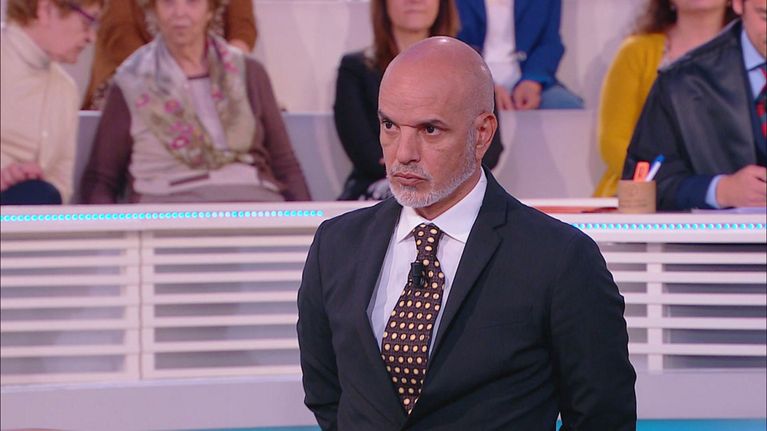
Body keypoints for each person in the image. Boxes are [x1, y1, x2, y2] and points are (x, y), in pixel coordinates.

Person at [298, 37, 636, 430]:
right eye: (390, 125)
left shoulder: (560, 259)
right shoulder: (335, 246)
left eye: (430, 129)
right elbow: (326, 394)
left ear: (482, 133)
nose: (403, 153)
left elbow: (602, 416)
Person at [80, 0, 310, 204]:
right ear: (154, 10)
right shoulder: (131, 81)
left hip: (255, 205)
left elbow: (286, 166)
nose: (179, 12)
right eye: (168, 2)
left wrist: (311, 229)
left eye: (192, 2)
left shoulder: (250, 73)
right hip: (167, 210)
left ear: (210, 10)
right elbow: (101, 178)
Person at [333, 0, 502, 200]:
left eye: (430, 129)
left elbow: (491, 149)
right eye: (389, 125)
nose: (414, 1)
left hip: (456, 190)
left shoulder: (471, 67)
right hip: (376, 190)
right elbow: (364, 153)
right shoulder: (355, 69)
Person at [622, 0, 766, 210]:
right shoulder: (681, 82)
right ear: (738, 4)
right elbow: (643, 181)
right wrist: (720, 190)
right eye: (765, 16)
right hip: (717, 231)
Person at [594, 0, 736, 197]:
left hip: (735, 197)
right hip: (638, 196)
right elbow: (613, 141)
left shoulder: (751, 55)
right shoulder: (635, 51)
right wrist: (673, 184)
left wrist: (718, 187)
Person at [1, 0, 103, 205]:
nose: (92, 37)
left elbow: (61, 184)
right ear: (46, 10)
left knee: (39, 193)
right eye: (87, 22)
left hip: (34, 215)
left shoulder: (66, 90)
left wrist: (36, 181)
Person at [82, 0, 256, 110]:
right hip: (134, 73)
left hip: (212, 73)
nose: (180, 12)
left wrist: (227, 71)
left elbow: (242, 28)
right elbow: (119, 33)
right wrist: (173, 79)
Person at [455, 0, 583, 110]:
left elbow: (550, 42)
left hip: (527, 76)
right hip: (471, 79)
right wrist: (484, 86)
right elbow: (452, 44)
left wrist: (532, 81)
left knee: (567, 106)